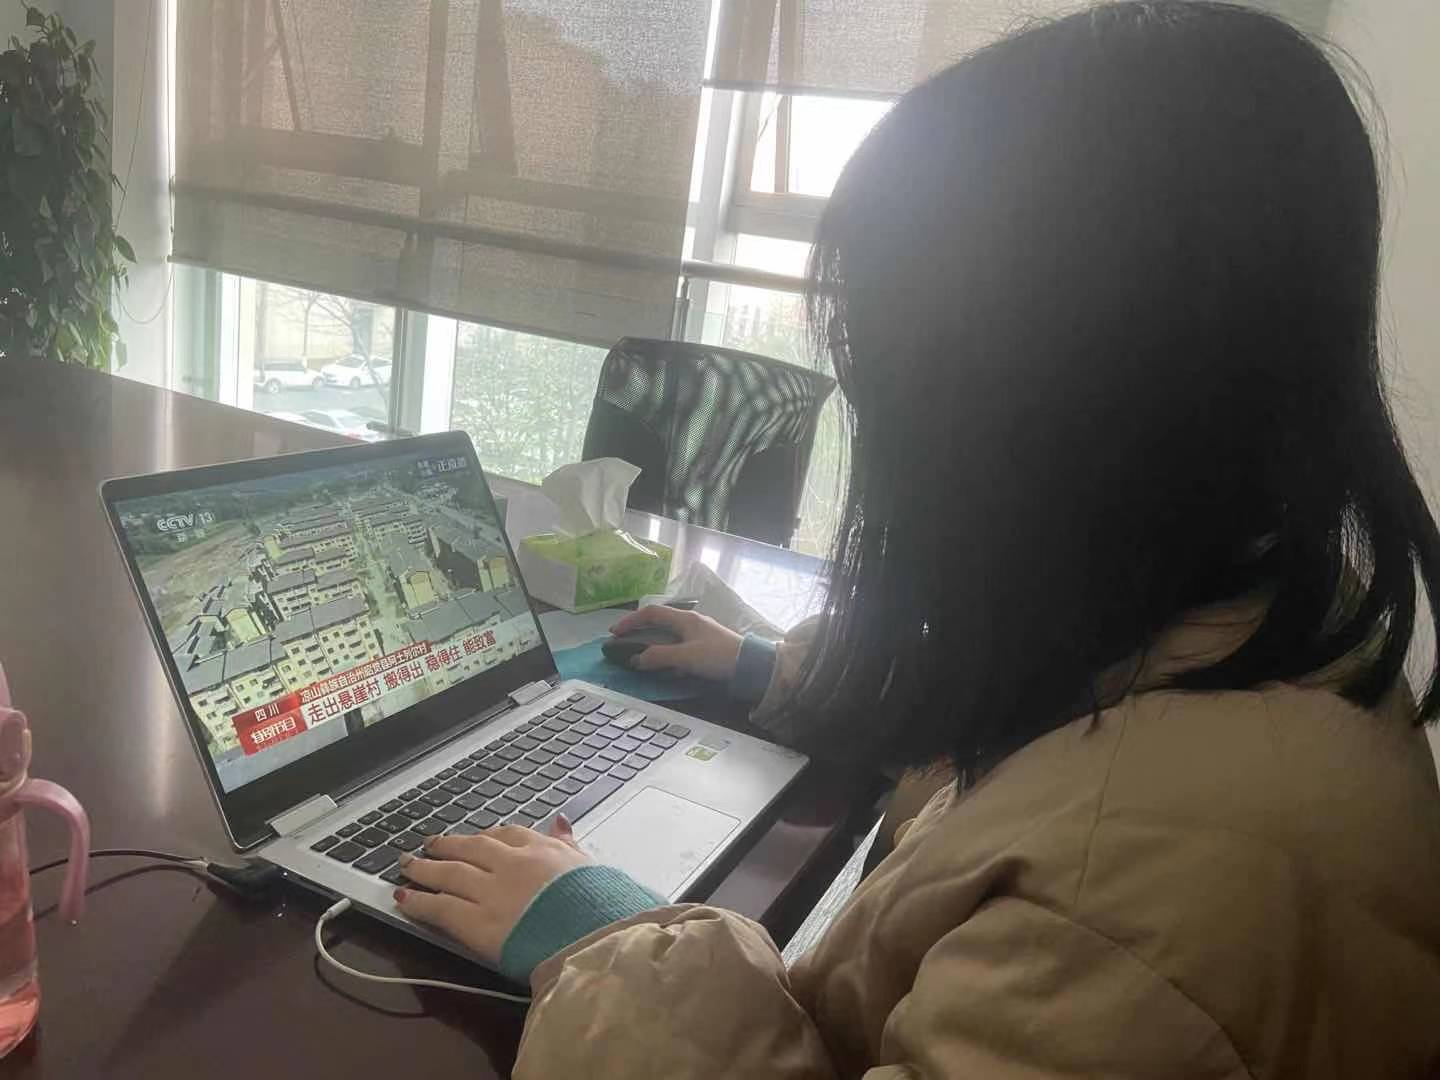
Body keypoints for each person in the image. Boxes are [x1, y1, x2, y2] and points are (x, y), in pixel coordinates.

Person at [395, 3, 1440, 1075]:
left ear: (1051, 407)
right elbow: (1028, 738)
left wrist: (609, 944)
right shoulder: (1248, 614)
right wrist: (768, 668)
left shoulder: (1139, 902)